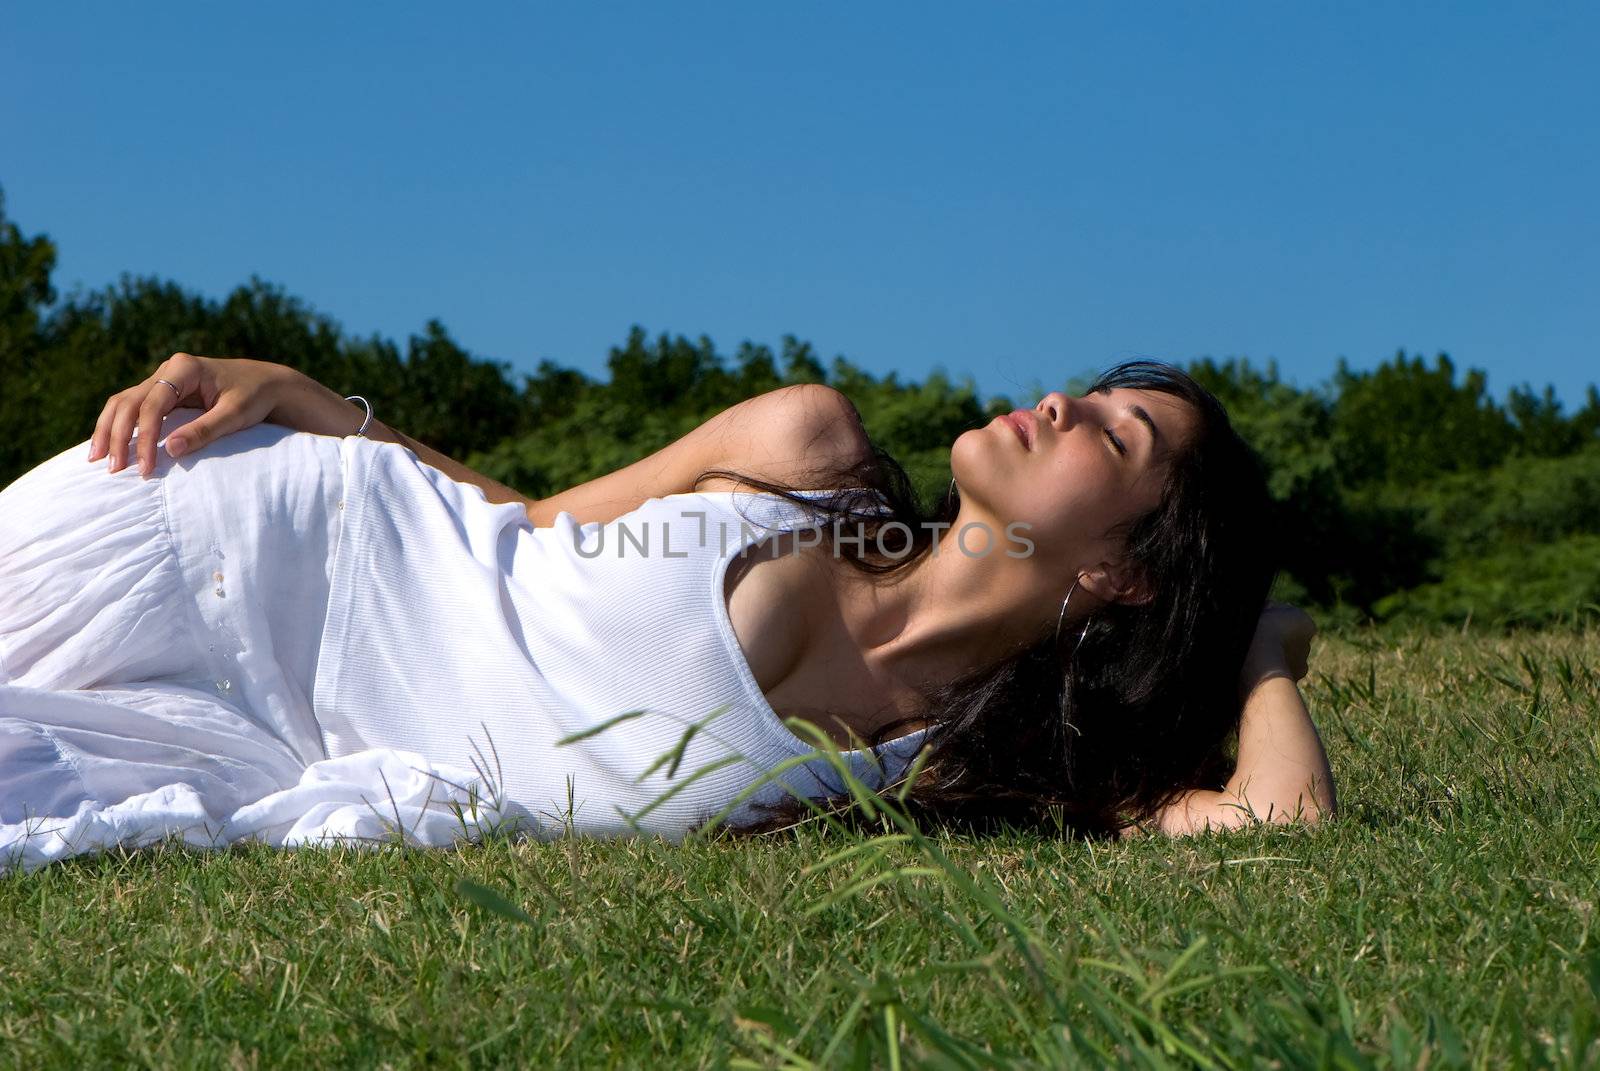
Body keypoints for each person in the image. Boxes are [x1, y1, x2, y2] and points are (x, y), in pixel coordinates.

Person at [0, 351, 1333, 871]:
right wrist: (313, 402)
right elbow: (521, 524)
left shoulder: (958, 762)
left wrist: (1264, 659)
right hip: (240, 533)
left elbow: (1282, 824)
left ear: (1125, 571)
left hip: (284, 733)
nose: (1061, 401)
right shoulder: (803, 449)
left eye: (1115, 430)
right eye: (1090, 387)